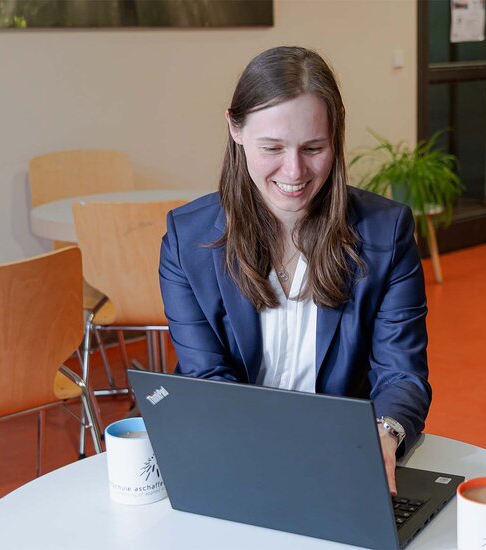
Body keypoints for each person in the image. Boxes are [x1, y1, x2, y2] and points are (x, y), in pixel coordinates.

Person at [159, 46, 430, 494]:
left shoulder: (387, 232)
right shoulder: (187, 240)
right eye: (272, 147)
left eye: (313, 147)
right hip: (237, 456)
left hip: (344, 461)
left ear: (336, 136)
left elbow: (402, 374)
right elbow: (206, 377)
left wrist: (385, 434)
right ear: (235, 129)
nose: (294, 170)